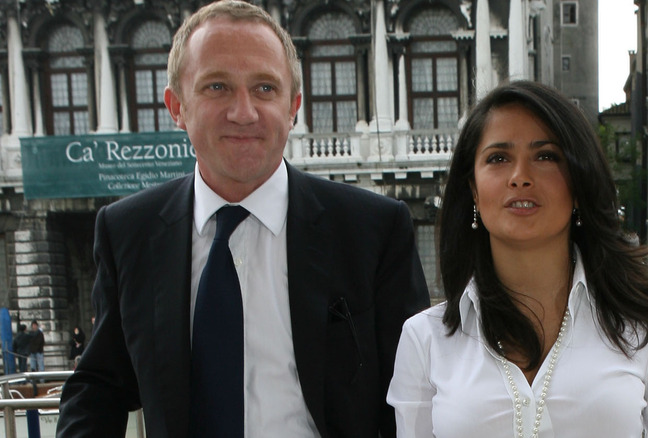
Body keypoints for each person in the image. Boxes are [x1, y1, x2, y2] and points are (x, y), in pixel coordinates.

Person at [56, 1, 430, 437]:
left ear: (294, 106)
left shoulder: (373, 229)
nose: (244, 112)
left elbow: (412, 391)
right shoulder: (127, 232)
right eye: (217, 87)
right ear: (177, 106)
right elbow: (99, 387)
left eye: (265, 89)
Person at [387, 81, 648, 437]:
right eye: (498, 158)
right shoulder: (425, 340)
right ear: (474, 190)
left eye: (545, 156)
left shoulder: (646, 326)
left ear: (577, 183)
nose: (520, 177)